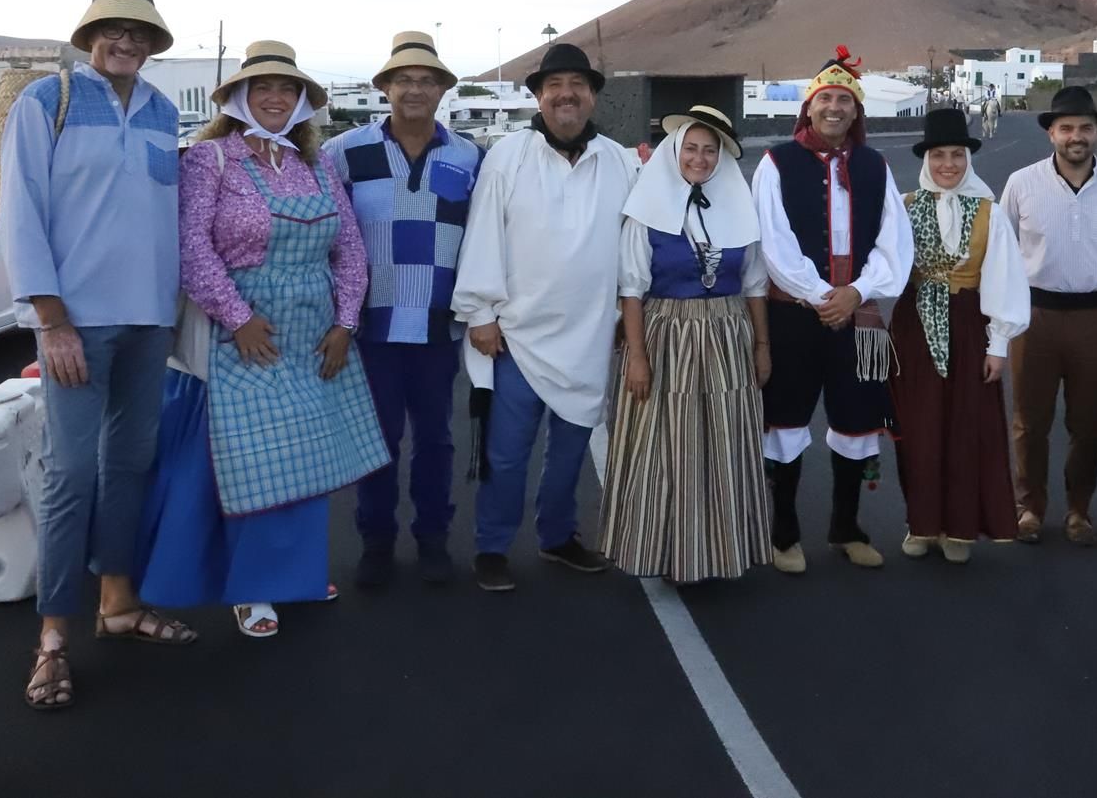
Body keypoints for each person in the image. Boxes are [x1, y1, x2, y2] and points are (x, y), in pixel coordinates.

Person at [137, 42, 389, 639]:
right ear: (239, 97)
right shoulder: (210, 160)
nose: (275, 98)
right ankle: (250, 589)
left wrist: (345, 324)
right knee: (250, 457)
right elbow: (192, 247)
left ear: (301, 100)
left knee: (303, 454)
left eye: (287, 89)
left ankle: (293, 576)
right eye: (262, 88)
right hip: (241, 336)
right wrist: (237, 317)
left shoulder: (317, 164)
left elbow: (348, 249)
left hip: (311, 332)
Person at [0, 0, 196, 710]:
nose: (127, 41)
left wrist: (174, 312)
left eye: (141, 33)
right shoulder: (44, 102)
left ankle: (117, 603)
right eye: (115, 29)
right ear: (89, 36)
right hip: (74, 322)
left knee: (130, 464)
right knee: (71, 470)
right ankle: (52, 637)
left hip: (148, 320)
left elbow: (168, 221)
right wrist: (50, 319)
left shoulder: (162, 110)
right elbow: (21, 209)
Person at [453, 43, 639, 593]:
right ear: (538, 95)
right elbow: (484, 232)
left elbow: (635, 245)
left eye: (577, 84)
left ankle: (558, 538)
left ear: (592, 96)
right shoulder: (509, 156)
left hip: (587, 337)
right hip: (514, 338)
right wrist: (480, 313)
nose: (566, 94)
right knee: (506, 456)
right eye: (554, 84)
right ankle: (492, 546)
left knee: (569, 456)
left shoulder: (619, 160)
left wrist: (626, 323)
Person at [323, 32, 482, 589]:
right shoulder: (341, 152)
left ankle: (434, 539)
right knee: (378, 440)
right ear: (384, 88)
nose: (415, 89)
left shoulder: (468, 154)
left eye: (426, 80)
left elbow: (482, 237)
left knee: (437, 440)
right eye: (403, 80)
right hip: (370, 325)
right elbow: (328, 239)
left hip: (439, 324)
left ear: (442, 90)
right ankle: (376, 541)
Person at [753, 46, 913, 572]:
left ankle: (847, 527)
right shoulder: (776, 162)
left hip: (858, 315)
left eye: (845, 99)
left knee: (856, 421)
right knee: (785, 421)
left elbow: (894, 242)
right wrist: (824, 296)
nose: (835, 108)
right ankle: (783, 533)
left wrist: (857, 293)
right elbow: (772, 243)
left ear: (856, 109)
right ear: (810, 106)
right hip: (795, 314)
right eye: (827, 98)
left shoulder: (874, 165)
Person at [599, 106, 772, 582]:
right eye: (691, 148)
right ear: (676, 152)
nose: (699, 158)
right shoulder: (646, 211)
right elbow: (631, 288)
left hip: (727, 334)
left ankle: (717, 553)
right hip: (664, 334)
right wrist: (636, 356)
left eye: (709, 150)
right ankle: (665, 552)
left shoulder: (740, 209)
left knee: (723, 443)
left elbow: (754, 285)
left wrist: (762, 346)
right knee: (664, 446)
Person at [889, 107, 1029, 562]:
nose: (947, 164)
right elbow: (885, 268)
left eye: (955, 155)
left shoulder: (989, 213)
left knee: (966, 428)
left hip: (971, 325)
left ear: (968, 160)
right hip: (914, 327)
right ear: (925, 160)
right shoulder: (904, 207)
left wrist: (999, 345)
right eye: (937, 155)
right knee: (919, 428)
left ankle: (959, 528)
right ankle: (922, 523)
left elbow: (1005, 280)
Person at [999, 86, 1097, 546]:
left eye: (1085, 128)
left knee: (1090, 421)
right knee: (1029, 421)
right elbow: (1004, 250)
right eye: (1066, 128)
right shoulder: (1021, 183)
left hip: (1094, 317)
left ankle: (1079, 510)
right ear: (1051, 134)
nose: (1076, 136)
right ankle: (1029, 509)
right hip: (1034, 315)